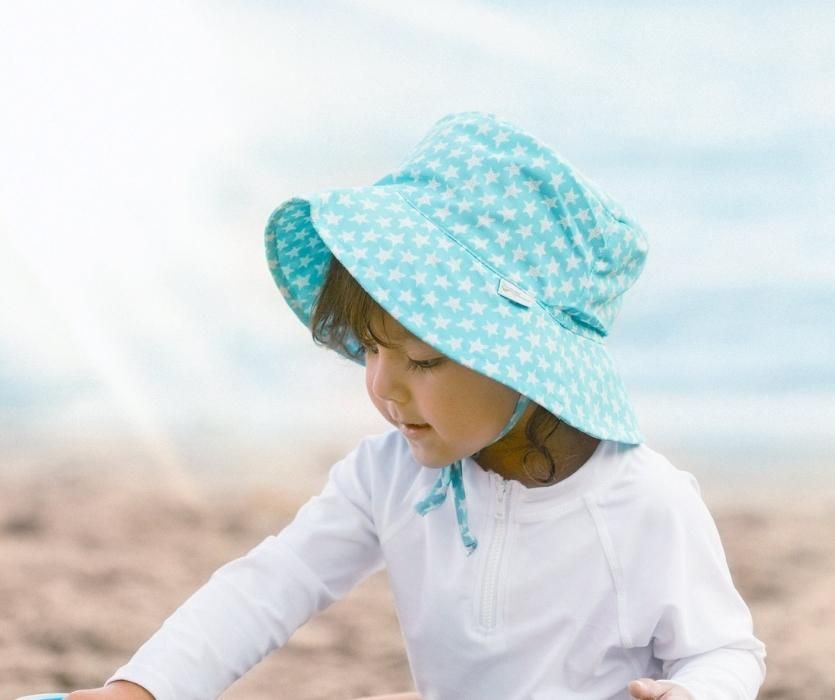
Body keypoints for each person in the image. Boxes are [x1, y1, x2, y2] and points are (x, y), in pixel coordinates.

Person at [65, 112, 765, 700]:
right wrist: (144, 687)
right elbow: (273, 583)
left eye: (424, 360)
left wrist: (695, 691)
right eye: (371, 351)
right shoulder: (387, 477)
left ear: (522, 362)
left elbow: (726, 651)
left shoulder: (642, 502)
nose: (382, 387)